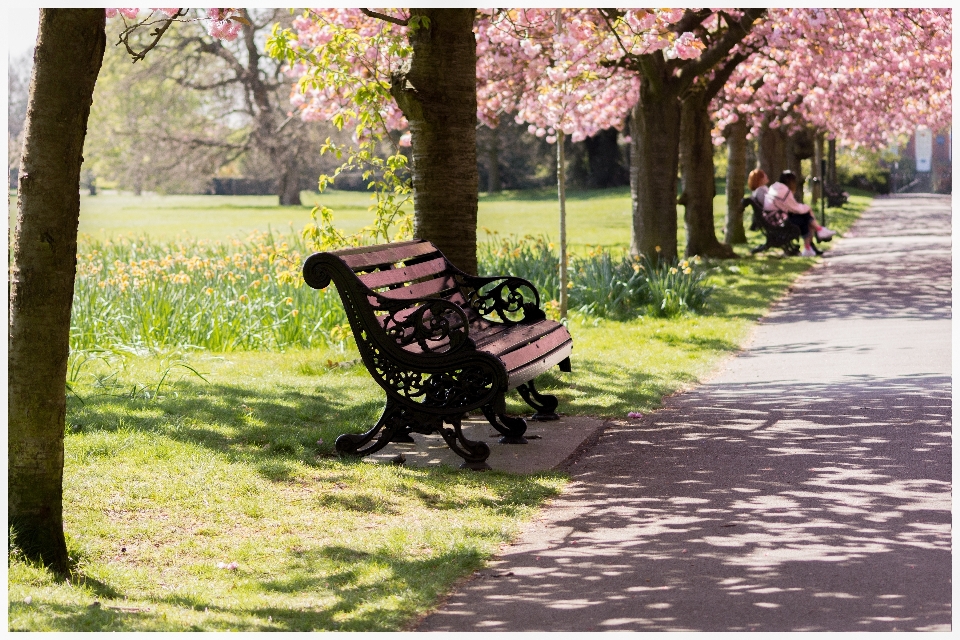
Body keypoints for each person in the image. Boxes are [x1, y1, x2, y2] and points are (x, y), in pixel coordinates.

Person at [764, 170, 837, 257]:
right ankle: (817, 233)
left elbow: (791, 207)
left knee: (805, 217)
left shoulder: (775, 187)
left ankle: (812, 242)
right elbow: (794, 207)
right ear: (790, 181)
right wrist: (808, 208)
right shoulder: (784, 191)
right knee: (805, 217)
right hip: (779, 220)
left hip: (775, 218)